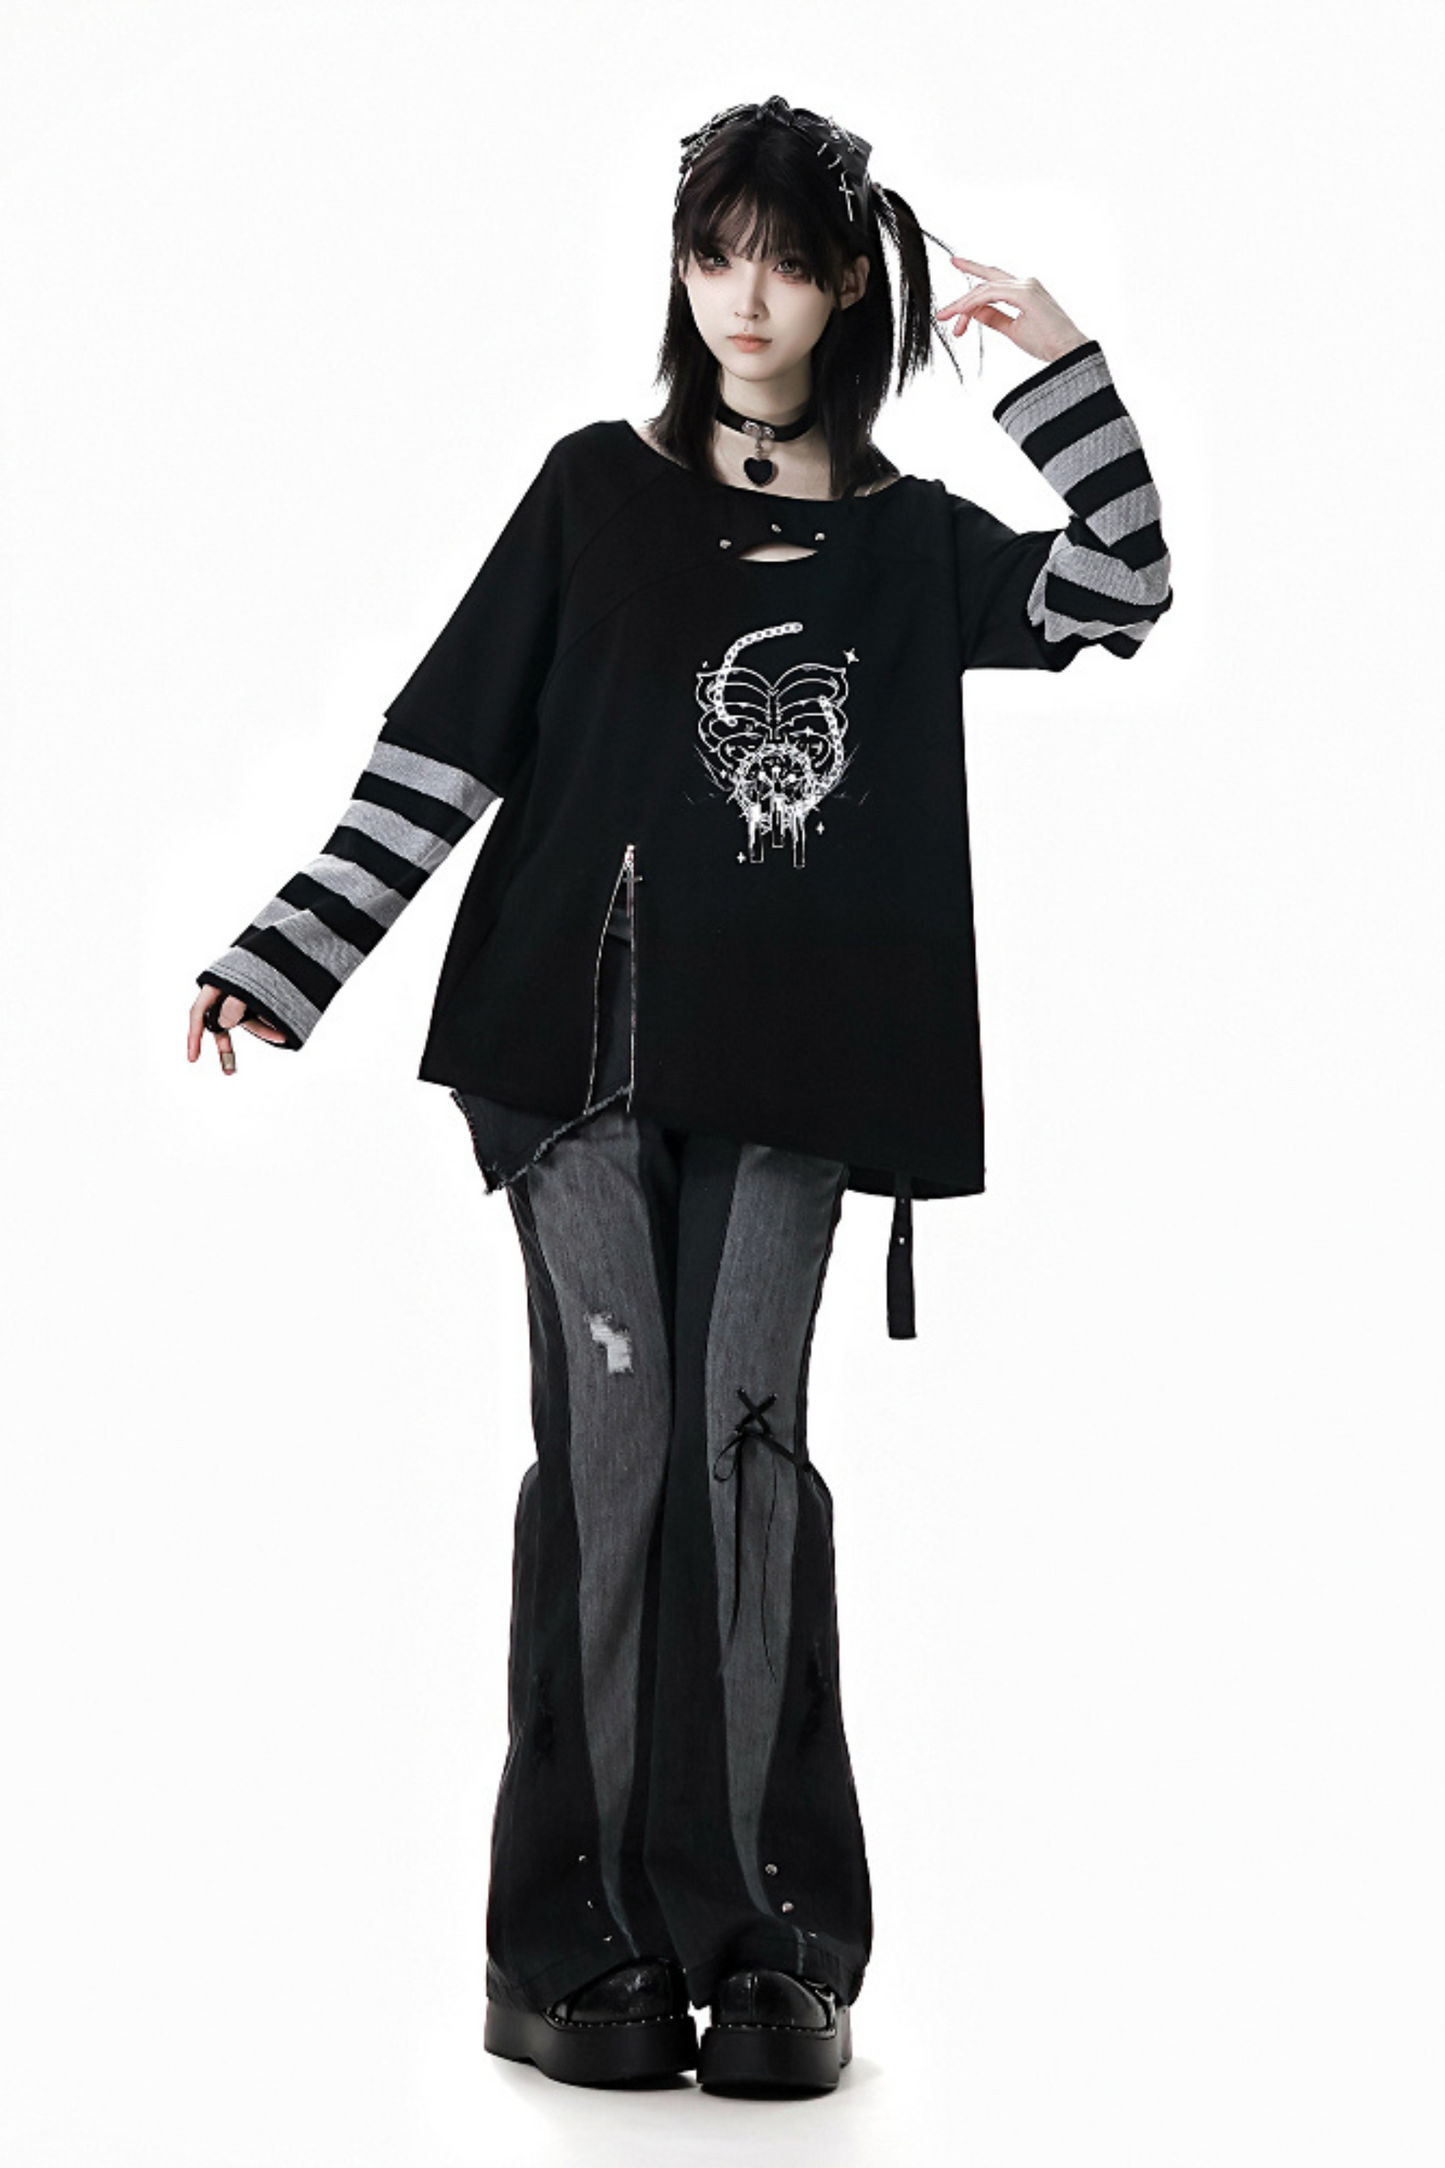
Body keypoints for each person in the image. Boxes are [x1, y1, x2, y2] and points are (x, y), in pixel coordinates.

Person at [187, 95, 1173, 2096]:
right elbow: (447, 746)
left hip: (802, 1065)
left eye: (791, 262)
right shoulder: (593, 491)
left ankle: (773, 1946)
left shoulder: (903, 545)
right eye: (718, 253)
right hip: (576, 1060)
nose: (749, 297)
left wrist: (1059, 364)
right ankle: (574, 1943)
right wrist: (286, 957)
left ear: (849, 289)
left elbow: (1120, 587)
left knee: (744, 1451)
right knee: (616, 1456)